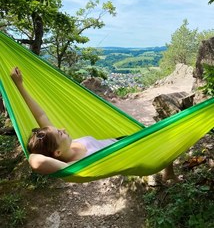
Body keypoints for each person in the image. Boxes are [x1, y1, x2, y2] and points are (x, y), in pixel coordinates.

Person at [10, 67, 179, 181]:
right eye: (60, 133)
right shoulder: (73, 166)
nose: (62, 129)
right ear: (58, 151)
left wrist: (19, 85)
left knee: (159, 134)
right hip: (127, 154)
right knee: (166, 139)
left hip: (121, 141)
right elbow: (36, 162)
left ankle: (168, 171)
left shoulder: (66, 146)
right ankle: (167, 171)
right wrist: (30, 155)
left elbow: (40, 114)